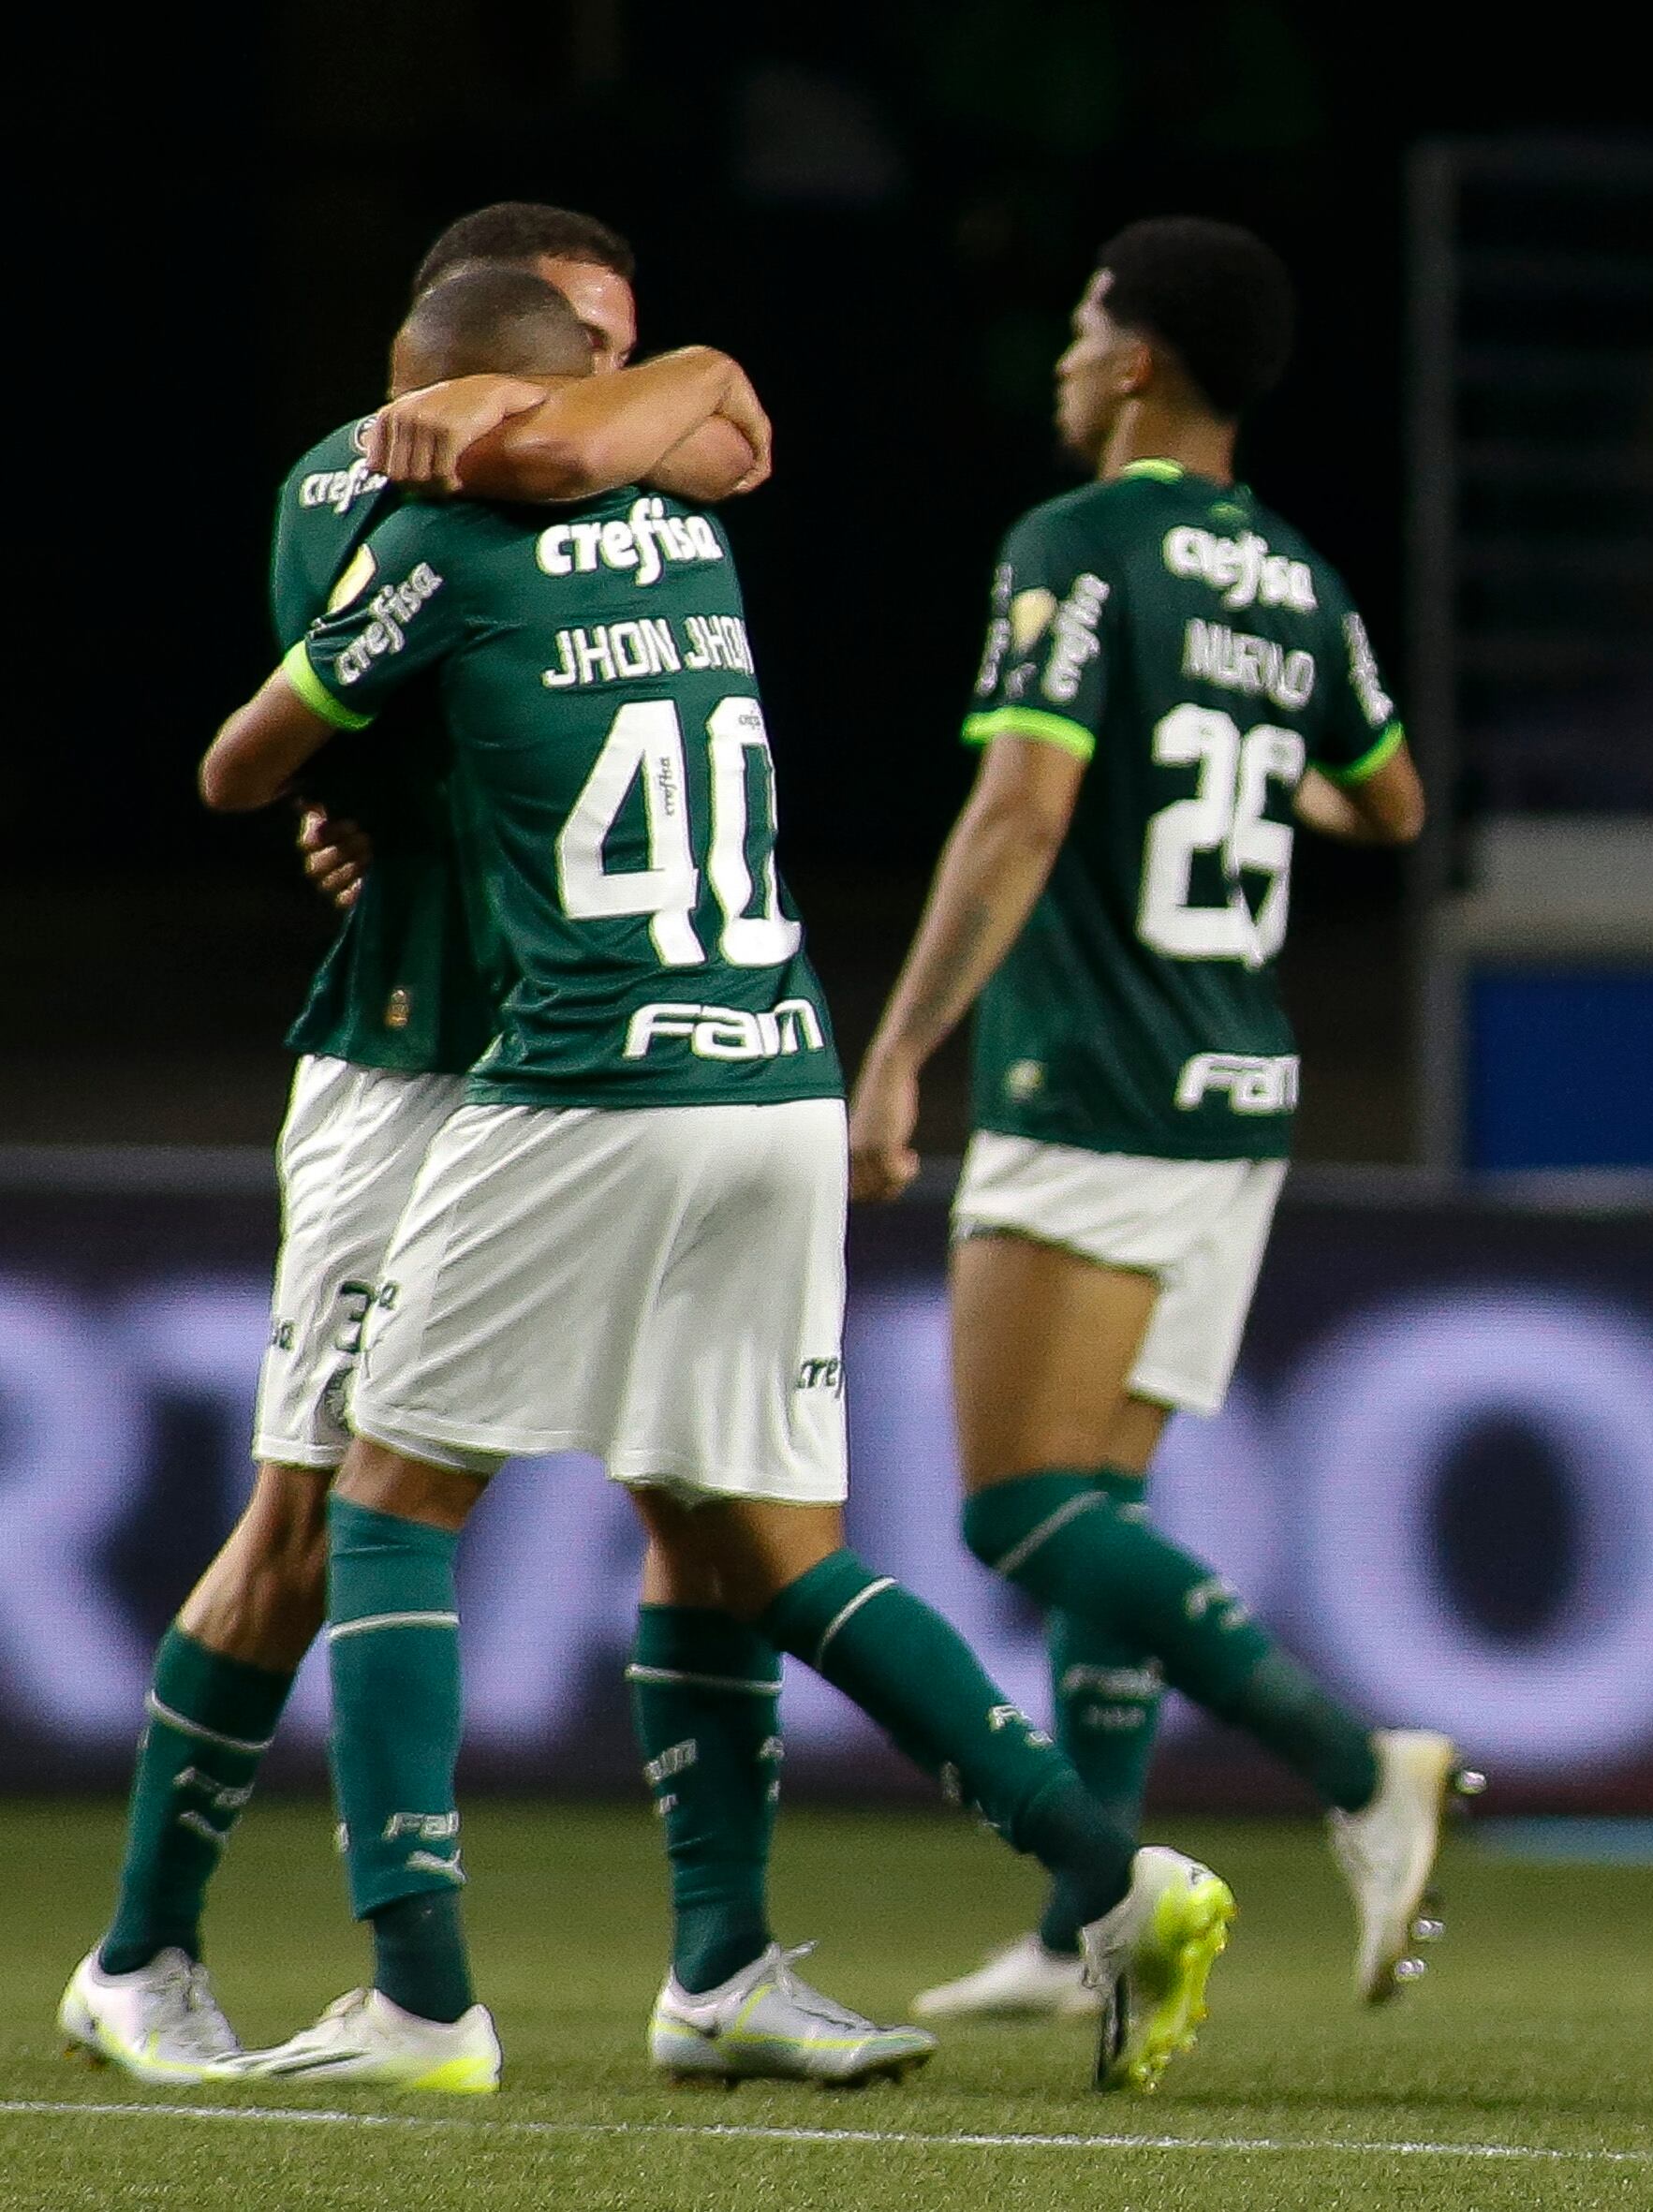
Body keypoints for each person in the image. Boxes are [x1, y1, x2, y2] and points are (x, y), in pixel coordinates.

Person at [189, 266, 1231, 2098]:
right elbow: (712, 403)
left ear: (453, 410)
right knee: (765, 1537)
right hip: (774, 1062)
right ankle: (1105, 1867)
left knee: (388, 1498)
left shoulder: (435, 548)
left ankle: (418, 2001)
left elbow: (240, 764)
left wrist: (364, 713)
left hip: (590, 1069)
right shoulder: (679, 517)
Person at [56, 204, 929, 2091]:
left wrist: (666, 405)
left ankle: (727, 1963)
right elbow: (356, 715)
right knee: (309, 1516)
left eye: (624, 358)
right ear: (461, 355)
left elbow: (711, 454)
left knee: (702, 1514)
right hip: (418, 1062)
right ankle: (143, 1950)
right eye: (572, 361)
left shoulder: (612, 475)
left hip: (600, 1070)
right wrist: (354, 810)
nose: (597, 405)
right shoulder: (344, 486)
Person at [844, 218, 1462, 2023]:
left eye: (1079, 325)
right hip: (1235, 1085)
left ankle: (1356, 1767)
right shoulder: (1297, 582)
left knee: (1017, 1508)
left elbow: (1019, 814)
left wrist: (895, 1053)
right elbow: (1394, 801)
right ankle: (1080, 1921)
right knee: (1100, 1492)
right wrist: (1251, 765)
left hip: (1092, 1076)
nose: (1059, 355)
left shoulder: (1075, 545)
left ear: (1135, 364)